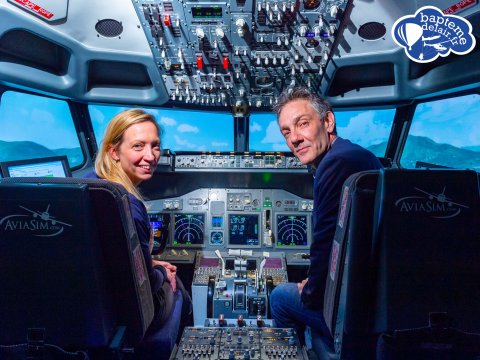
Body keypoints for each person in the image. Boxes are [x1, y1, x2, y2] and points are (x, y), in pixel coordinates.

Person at [269, 87, 383, 350]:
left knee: (280, 297)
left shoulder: (335, 163)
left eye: (303, 124)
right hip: (367, 294)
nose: (294, 139)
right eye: (286, 132)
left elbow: (324, 242)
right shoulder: (355, 154)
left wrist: (311, 292)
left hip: (355, 311)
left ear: (328, 121)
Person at [87, 108, 189, 330]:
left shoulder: (88, 183)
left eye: (155, 146)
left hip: (91, 306)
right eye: (138, 146)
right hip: (125, 315)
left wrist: (150, 263)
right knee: (177, 285)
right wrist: (161, 271)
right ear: (114, 151)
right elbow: (145, 284)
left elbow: (108, 259)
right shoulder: (129, 206)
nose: (151, 156)